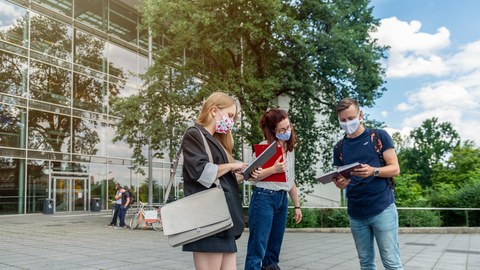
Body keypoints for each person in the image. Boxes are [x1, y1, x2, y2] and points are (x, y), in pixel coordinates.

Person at [181, 92, 257, 270]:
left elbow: (222, 181)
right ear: (214, 111)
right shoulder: (195, 133)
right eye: (230, 115)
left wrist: (245, 174)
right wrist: (231, 166)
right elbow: (201, 173)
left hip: (223, 220)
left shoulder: (215, 140)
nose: (231, 121)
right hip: (209, 220)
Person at [332, 97, 403, 270]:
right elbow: (343, 179)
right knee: (365, 263)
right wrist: (341, 183)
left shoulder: (378, 136)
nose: (347, 123)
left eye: (351, 118)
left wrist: (373, 171)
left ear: (360, 115)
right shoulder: (339, 147)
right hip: (356, 212)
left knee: (391, 262)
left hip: (382, 208)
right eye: (343, 120)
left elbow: (395, 169)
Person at [244, 108, 303, 270]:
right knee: (258, 247)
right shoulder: (264, 148)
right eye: (282, 130)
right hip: (264, 198)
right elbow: (251, 175)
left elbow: (290, 180)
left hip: (282, 199)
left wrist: (297, 206)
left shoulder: (289, 149)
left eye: (288, 127)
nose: (287, 132)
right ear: (272, 130)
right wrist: (274, 169)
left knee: (274, 249)